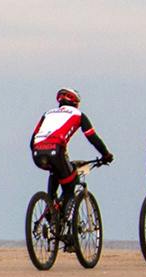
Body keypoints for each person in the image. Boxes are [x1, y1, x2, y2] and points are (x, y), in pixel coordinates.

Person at [30, 87, 113, 215]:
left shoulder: (48, 114)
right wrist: (106, 154)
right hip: (56, 151)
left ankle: (50, 207)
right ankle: (61, 219)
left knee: (56, 171)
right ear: (76, 102)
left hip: (37, 153)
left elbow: (32, 140)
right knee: (70, 185)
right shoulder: (78, 115)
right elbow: (92, 137)